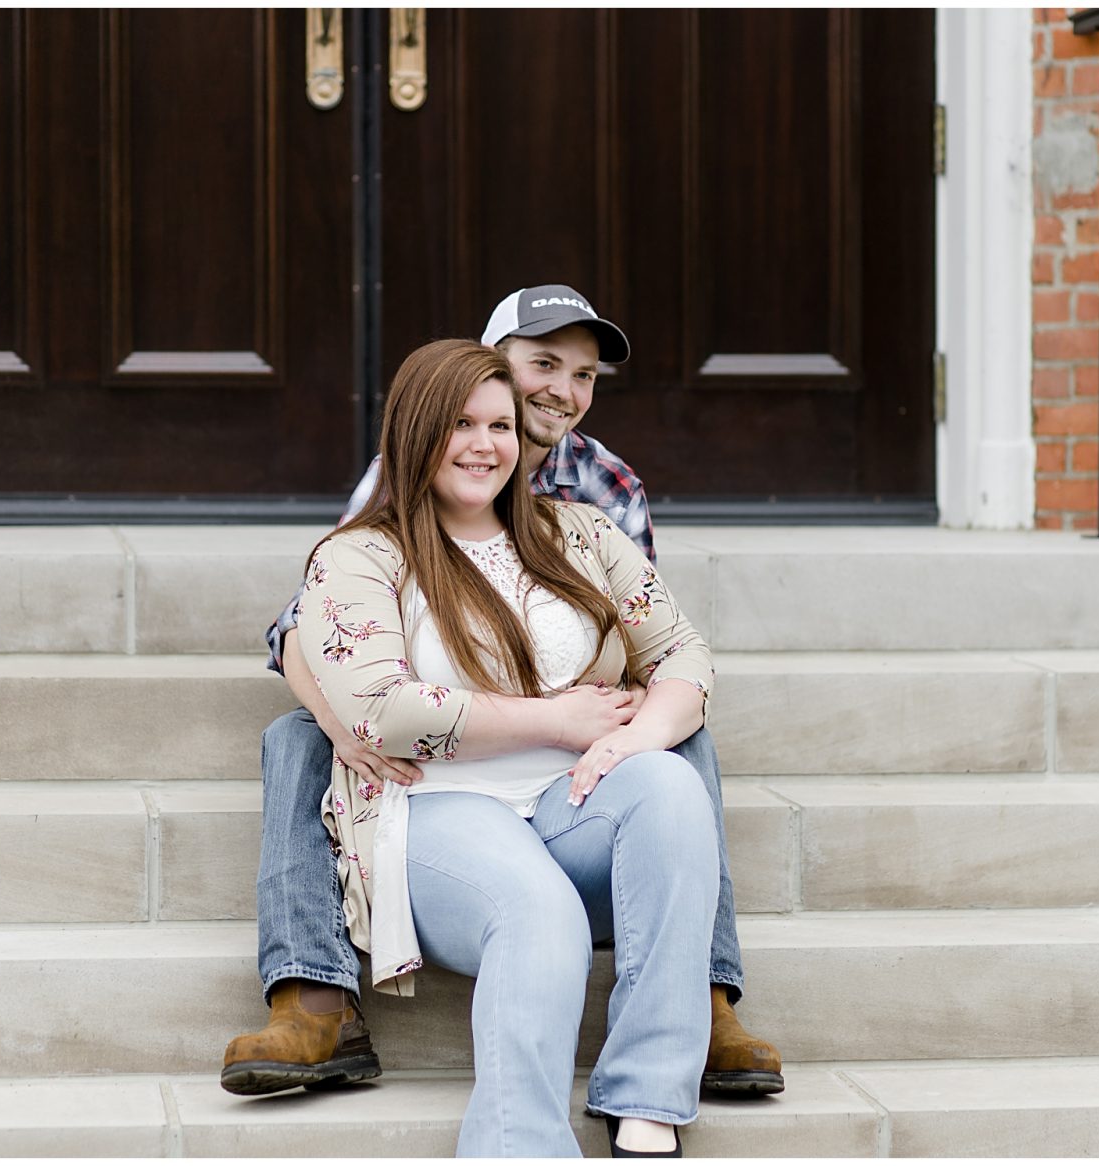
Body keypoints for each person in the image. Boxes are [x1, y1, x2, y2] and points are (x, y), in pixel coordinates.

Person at [223, 285, 784, 1104]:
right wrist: (348, 723)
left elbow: (648, 645)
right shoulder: (402, 481)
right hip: (427, 738)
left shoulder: (606, 489)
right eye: (542, 364)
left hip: (568, 752)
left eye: (583, 374)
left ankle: (701, 993)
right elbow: (307, 629)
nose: (560, 389)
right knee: (299, 737)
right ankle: (314, 992)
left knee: (677, 746)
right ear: (491, 365)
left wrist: (619, 725)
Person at [298, 338, 716, 1155]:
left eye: (499, 424)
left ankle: (649, 1099)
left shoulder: (580, 534)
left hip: (567, 801)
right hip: (435, 807)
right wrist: (554, 722)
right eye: (460, 423)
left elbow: (683, 656)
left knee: (668, 788)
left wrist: (635, 739)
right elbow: (383, 709)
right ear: (417, 430)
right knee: (539, 909)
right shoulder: (357, 557)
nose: (485, 445)